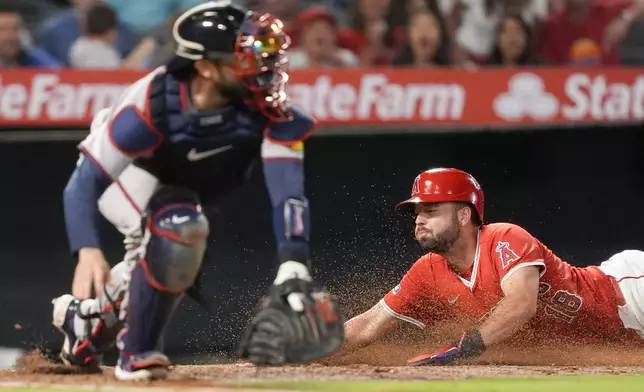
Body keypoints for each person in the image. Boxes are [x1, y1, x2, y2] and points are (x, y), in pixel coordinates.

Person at [50, 0, 344, 381]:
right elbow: (83, 184)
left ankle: (85, 324)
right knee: (178, 230)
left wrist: (293, 261)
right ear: (204, 67)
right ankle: (136, 353)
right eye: (244, 58)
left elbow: (289, 192)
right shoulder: (152, 104)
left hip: (177, 185)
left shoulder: (266, 106)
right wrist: (87, 250)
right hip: (132, 174)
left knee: (176, 239)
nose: (261, 67)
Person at [333, 167, 644, 366]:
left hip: (629, 292)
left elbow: (521, 304)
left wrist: (466, 347)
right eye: (417, 212)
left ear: (463, 216)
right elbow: (367, 326)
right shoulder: (427, 271)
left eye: (431, 210)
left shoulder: (504, 238)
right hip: (619, 336)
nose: (419, 219)